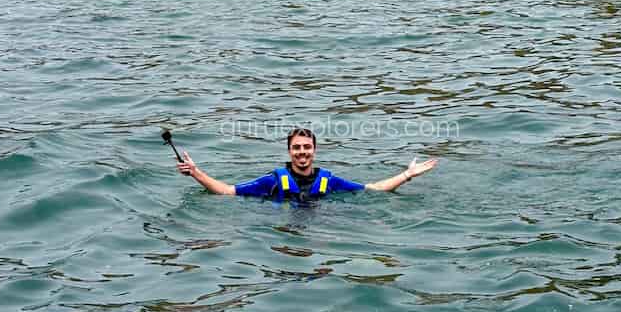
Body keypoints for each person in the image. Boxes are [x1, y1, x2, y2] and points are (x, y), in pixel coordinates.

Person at [176, 127, 437, 202]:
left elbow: (373, 189)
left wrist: (407, 174)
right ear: (289, 152)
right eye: (297, 148)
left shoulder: (329, 181)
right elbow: (228, 191)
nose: (302, 153)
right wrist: (196, 173)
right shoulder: (273, 181)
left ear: (314, 150)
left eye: (306, 148)